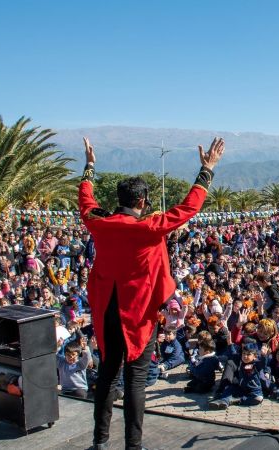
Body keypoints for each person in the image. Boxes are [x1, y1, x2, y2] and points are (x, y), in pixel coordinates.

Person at [80, 136, 224, 450]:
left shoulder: (98, 224)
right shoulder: (148, 227)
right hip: (138, 314)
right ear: (143, 201)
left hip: (107, 309)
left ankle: (99, 442)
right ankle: (134, 446)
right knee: (135, 378)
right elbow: (189, 207)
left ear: (118, 198)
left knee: (107, 374)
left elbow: (86, 201)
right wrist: (207, 169)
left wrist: (90, 166)